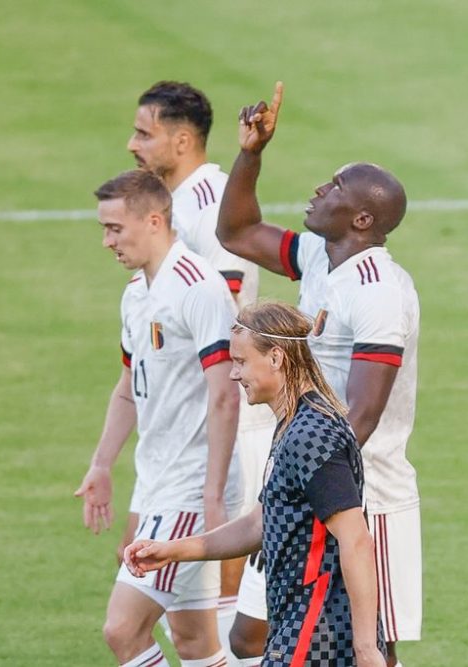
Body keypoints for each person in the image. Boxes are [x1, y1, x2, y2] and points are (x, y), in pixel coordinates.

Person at [214, 83, 421, 667]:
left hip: (363, 489)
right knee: (251, 635)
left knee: (371, 648)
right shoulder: (320, 258)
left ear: (360, 216)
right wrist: (252, 154)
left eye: (332, 186)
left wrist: (308, 479)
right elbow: (235, 232)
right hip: (309, 467)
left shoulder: (379, 292)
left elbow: (365, 410)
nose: (317, 190)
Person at [124, 302, 387, 667]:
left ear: (277, 357)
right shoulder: (294, 425)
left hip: (319, 633)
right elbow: (259, 524)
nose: (234, 374)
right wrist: (172, 550)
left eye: (241, 361)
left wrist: (366, 648)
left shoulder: (311, 434)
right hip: (298, 627)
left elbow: (355, 538)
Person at [125, 80, 277, 660]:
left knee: (227, 594)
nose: (133, 145)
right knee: (190, 609)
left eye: (146, 133)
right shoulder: (172, 205)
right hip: (191, 424)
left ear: (182, 140)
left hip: (230, 419)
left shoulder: (208, 202)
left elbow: (228, 314)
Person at [73, 169, 242, 667]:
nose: (106, 241)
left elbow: (226, 396)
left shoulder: (198, 288)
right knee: (194, 643)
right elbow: (128, 390)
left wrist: (213, 495)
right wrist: (101, 465)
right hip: (157, 482)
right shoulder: (136, 293)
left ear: (153, 220)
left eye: (114, 229)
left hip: (190, 489)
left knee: (123, 629)